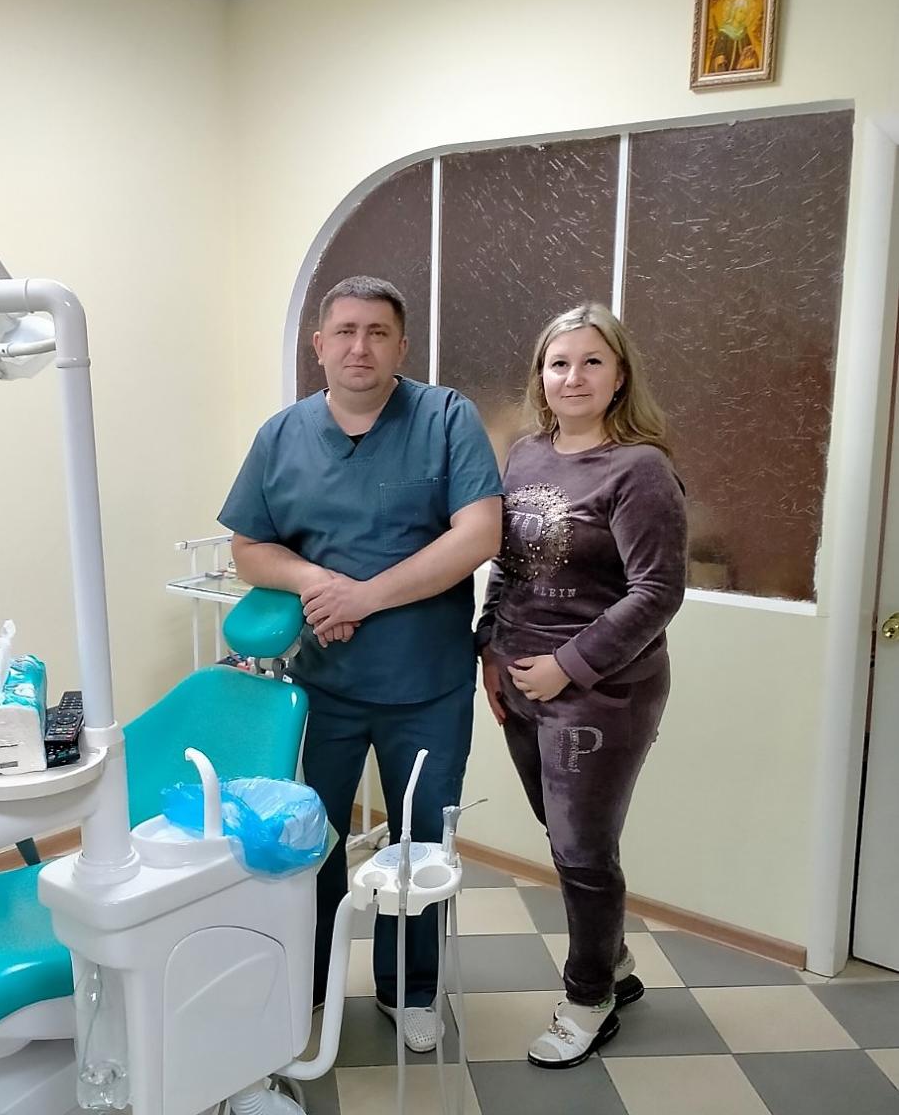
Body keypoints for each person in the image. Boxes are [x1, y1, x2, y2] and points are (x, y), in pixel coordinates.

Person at [219, 275, 502, 1052]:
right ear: (318, 345)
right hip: (320, 685)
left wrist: (364, 598)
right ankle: (305, 983)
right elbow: (249, 548)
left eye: (377, 332)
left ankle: (409, 990)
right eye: (344, 331)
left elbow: (478, 534)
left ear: (401, 346)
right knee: (306, 842)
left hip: (425, 684)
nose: (359, 347)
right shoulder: (282, 434)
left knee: (420, 845)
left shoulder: (445, 418)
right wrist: (315, 582)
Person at [476, 301, 687, 1069]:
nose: (573, 376)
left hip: (601, 692)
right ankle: (614, 961)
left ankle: (588, 996)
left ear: (619, 375)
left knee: (580, 851)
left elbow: (657, 591)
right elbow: (506, 564)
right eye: (558, 362)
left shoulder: (639, 469)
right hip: (518, 682)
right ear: (540, 375)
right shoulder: (526, 455)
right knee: (569, 839)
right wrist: (488, 648)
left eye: (591, 361)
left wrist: (566, 665)